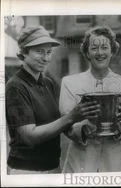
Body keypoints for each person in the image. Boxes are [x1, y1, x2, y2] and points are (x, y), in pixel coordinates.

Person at [6, 26, 100, 174]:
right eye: (39, 51)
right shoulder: (16, 86)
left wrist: (81, 124)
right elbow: (29, 137)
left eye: (49, 52)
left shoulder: (48, 83)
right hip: (27, 171)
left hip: (53, 167)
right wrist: (71, 117)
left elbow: (56, 123)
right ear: (24, 52)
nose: (46, 58)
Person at [59, 25, 121, 173]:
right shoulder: (69, 83)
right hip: (81, 159)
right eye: (94, 48)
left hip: (116, 160)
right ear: (87, 52)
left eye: (105, 47)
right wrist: (82, 129)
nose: (99, 53)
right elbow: (66, 121)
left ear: (112, 51)